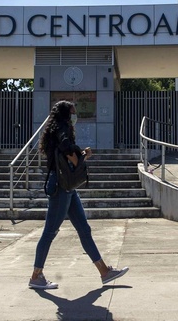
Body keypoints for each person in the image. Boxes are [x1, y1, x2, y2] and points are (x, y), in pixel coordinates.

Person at [29, 100, 129, 290]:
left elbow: (65, 151)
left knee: (84, 230)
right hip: (60, 187)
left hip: (67, 187)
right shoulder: (62, 129)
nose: (75, 117)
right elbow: (67, 150)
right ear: (66, 115)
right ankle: (36, 276)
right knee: (50, 232)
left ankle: (104, 272)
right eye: (73, 113)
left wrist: (79, 155)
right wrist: (82, 156)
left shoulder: (56, 130)